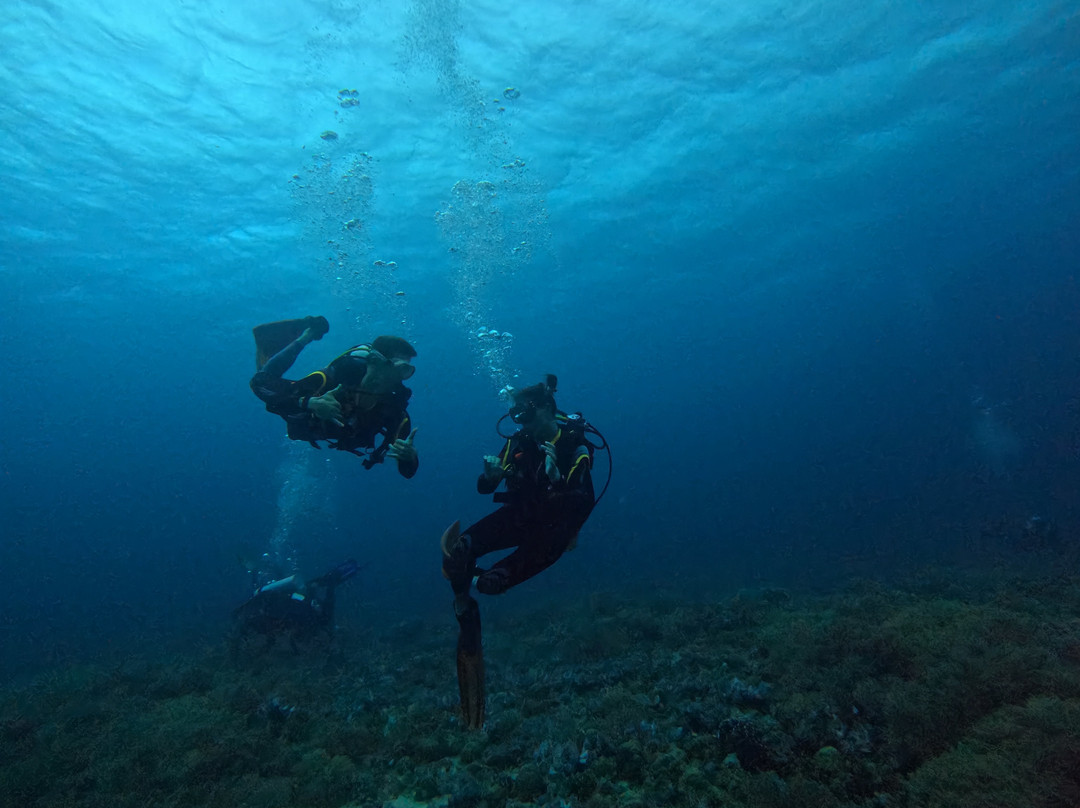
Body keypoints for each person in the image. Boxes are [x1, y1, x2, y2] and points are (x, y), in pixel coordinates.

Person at [440, 375, 598, 728]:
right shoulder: (518, 442)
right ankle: (465, 611)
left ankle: (480, 584)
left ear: (546, 408)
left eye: (525, 413)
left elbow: (583, 496)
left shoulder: (574, 443)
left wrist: (557, 485)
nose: (521, 422)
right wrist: (491, 477)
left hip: (554, 532)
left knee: (492, 583)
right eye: (516, 415)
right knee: (457, 554)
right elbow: (484, 487)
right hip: (520, 516)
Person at [249, 316, 419, 477]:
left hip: (326, 433)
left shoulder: (394, 408)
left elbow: (407, 472)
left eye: (406, 371)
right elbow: (259, 383)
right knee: (264, 374)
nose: (398, 377)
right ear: (374, 361)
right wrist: (309, 402)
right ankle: (307, 335)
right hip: (302, 421)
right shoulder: (340, 376)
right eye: (398, 367)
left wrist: (409, 456)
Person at [231, 560, 359, 652]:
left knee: (318, 611)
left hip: (293, 607)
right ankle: (329, 581)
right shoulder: (263, 610)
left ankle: (328, 582)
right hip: (294, 607)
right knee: (320, 614)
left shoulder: (257, 613)